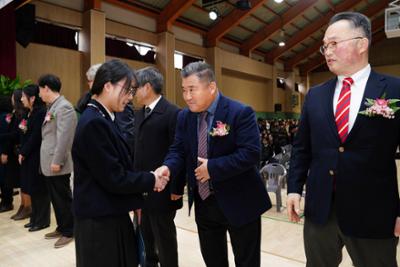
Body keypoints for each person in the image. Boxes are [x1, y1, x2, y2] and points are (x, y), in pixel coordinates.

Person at [287, 12, 400, 267]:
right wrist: (294, 187)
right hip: (320, 211)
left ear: (362, 43)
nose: (327, 51)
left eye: (334, 43)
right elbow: (302, 148)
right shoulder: (315, 95)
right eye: (325, 46)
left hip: (373, 212)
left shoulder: (394, 90)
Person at [156, 61, 271, 267]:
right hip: (204, 203)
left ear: (211, 87)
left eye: (192, 90)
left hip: (240, 201)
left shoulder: (239, 112)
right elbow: (178, 150)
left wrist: (213, 168)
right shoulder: (184, 117)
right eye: (184, 90)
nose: (187, 96)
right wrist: (168, 167)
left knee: (247, 262)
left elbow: (251, 153)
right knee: (213, 261)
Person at [72, 59, 169, 267]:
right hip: (99, 221)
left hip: (109, 213)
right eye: (127, 90)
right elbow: (114, 177)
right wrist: (151, 179)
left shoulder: (104, 117)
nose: (130, 97)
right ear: (108, 85)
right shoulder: (94, 123)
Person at [133, 66, 184, 267]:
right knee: (145, 232)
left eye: (136, 88)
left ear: (147, 87)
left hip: (164, 189)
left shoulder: (172, 113)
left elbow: (179, 152)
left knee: (164, 235)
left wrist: (177, 188)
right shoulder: (139, 113)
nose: (133, 92)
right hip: (142, 185)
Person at [38, 74, 77, 248]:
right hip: (49, 162)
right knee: (56, 199)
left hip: (57, 163)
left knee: (63, 199)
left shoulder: (64, 107)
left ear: (46, 88)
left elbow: (65, 137)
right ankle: (62, 227)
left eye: (40, 89)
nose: (39, 94)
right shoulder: (53, 106)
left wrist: (58, 160)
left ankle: (70, 231)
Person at [19, 85, 51, 231]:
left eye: (23, 96)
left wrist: (23, 151)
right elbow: (24, 132)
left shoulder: (41, 113)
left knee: (40, 189)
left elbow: (36, 136)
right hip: (28, 155)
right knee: (32, 188)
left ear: (32, 98)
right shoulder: (29, 113)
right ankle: (34, 217)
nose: (21, 99)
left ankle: (42, 220)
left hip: (37, 155)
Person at [0, 89, 29, 219]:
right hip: (15, 151)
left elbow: (17, 135)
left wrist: (3, 140)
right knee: (18, 180)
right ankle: (23, 206)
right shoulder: (15, 114)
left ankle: (27, 207)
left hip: (18, 151)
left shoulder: (21, 115)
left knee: (22, 181)